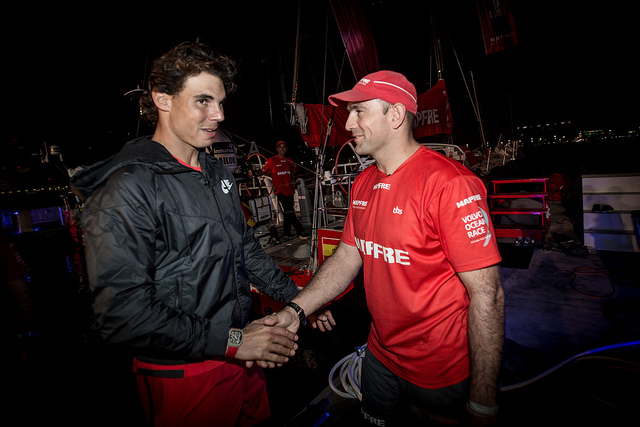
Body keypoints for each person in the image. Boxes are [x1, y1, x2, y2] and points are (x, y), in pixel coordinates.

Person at [70, 41, 309, 427]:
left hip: (244, 356)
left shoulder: (217, 174)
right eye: (203, 101)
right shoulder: (129, 186)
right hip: (187, 373)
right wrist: (233, 342)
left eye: (220, 102)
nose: (218, 114)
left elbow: (244, 247)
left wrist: (297, 298)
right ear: (162, 99)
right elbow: (121, 314)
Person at [266, 70, 504, 426]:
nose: (349, 123)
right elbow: (347, 255)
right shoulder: (362, 182)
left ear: (395, 115)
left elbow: (488, 296)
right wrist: (295, 311)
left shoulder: (451, 184)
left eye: (360, 111)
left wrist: (484, 403)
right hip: (379, 356)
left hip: (439, 368)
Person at [261, 140, 308, 239]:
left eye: (284, 147)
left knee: (288, 212)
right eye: (280, 147)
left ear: (286, 149)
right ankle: (300, 231)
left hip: (290, 190)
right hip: (280, 190)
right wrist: (253, 173)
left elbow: (293, 173)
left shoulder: (289, 160)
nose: (282, 149)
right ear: (277, 149)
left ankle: (286, 233)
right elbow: (263, 170)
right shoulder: (271, 160)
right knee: (289, 211)